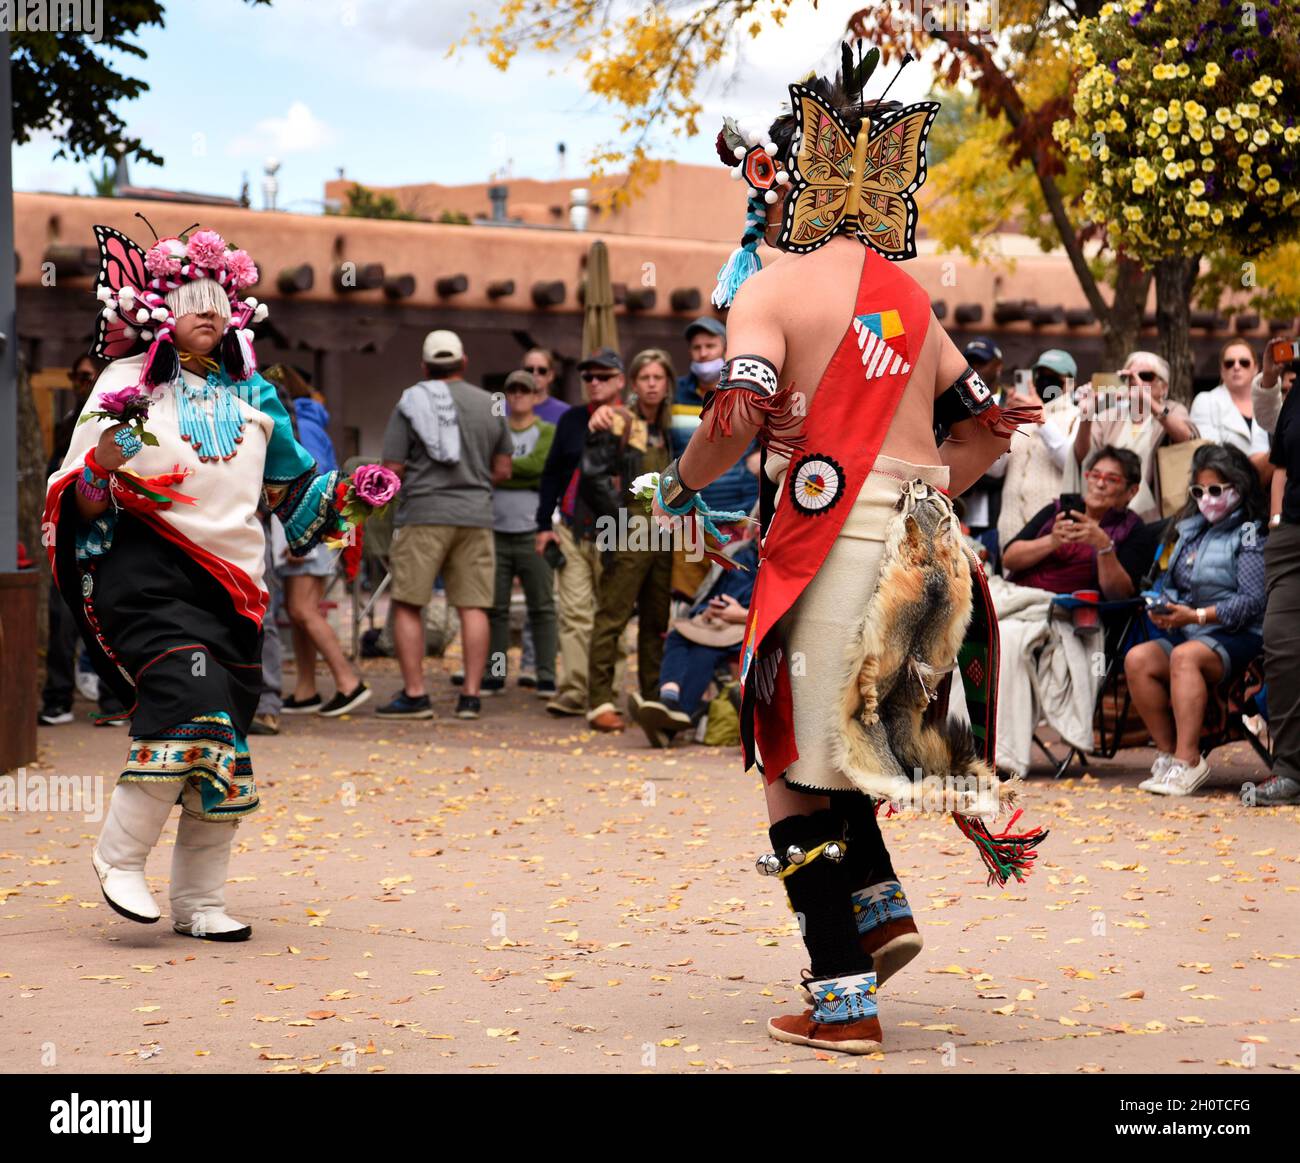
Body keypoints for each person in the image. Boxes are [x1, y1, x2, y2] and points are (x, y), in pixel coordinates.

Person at [653, 57, 1043, 1054]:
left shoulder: (770, 290)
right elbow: (987, 430)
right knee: (841, 746)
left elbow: (738, 412)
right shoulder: (910, 301)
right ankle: (876, 912)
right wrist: (920, 488)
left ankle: (841, 998)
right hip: (931, 552)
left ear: (790, 189)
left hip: (829, 544)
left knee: (789, 759)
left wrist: (683, 481)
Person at [46, 224, 379, 941]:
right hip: (147, 576)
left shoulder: (257, 394)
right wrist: (103, 462)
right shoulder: (126, 384)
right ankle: (118, 857)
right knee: (190, 702)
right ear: (160, 309)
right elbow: (83, 500)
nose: (210, 312)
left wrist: (351, 495)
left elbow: (295, 499)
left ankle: (199, 901)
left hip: (236, 591)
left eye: (221, 301)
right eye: (194, 299)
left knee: (225, 740)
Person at [378, 330, 513, 721]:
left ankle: (416, 695)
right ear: (463, 362)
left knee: (409, 603)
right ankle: (470, 696)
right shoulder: (491, 404)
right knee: (473, 605)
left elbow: (393, 468)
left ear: (424, 367)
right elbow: (504, 468)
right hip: (476, 515)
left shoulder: (410, 401)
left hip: (423, 513)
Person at [1126, 444, 1267, 797]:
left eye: (1216, 490)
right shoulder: (1189, 530)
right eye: (1199, 491)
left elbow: (1253, 601)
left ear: (1238, 486)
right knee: (1138, 659)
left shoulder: (1251, 532)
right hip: (1190, 628)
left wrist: (1198, 615)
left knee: (1184, 657)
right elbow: (1171, 582)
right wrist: (1164, 607)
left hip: (1239, 633)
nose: (1207, 499)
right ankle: (1168, 754)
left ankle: (1189, 760)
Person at [265, 364, 369, 717]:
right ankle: (306, 690)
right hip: (314, 526)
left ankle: (349, 683)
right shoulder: (312, 422)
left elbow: (309, 481)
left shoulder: (299, 426)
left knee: (302, 609)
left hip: (307, 527)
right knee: (298, 613)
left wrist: (301, 537)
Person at [583, 348, 675, 732]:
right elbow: (592, 477)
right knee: (613, 615)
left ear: (667, 383)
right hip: (629, 528)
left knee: (657, 620)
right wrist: (619, 522)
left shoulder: (671, 425)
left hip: (668, 532)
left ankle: (651, 697)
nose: (652, 384)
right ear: (634, 383)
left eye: (658, 377)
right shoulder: (617, 420)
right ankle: (599, 701)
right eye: (645, 378)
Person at [38, 353, 130, 727]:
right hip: (69, 533)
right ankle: (57, 699)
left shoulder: (123, 423)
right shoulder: (67, 425)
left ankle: (114, 699)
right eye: (76, 376)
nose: (81, 383)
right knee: (62, 620)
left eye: (88, 376)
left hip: (107, 535)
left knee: (110, 617)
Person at [534, 347, 626, 717]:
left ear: (620, 381)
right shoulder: (571, 419)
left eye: (603, 376)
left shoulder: (630, 421)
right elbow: (552, 473)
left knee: (611, 613)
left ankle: (607, 691)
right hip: (571, 526)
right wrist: (543, 525)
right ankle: (574, 689)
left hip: (615, 529)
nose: (594, 382)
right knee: (573, 613)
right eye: (588, 377)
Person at [633, 535, 760, 748]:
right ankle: (669, 699)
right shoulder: (738, 553)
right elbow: (709, 593)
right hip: (717, 623)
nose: (758, 531)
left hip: (748, 627)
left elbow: (784, 613)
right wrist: (707, 610)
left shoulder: (777, 563)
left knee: (704, 653)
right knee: (678, 635)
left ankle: (670, 723)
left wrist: (741, 614)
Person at [669, 317, 759, 597]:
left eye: (710, 346)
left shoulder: (744, 389)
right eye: (697, 348)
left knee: (731, 596)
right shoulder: (674, 394)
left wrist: (760, 455)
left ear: (725, 348)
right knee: (688, 599)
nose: (703, 353)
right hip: (689, 517)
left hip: (738, 515)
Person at [485, 369, 557, 696]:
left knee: (541, 607)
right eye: (512, 390)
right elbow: (486, 467)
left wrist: (502, 471)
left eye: (524, 390)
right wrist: (513, 473)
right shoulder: (495, 430)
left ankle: (545, 674)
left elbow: (540, 467)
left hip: (534, 530)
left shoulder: (547, 430)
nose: (518, 395)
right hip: (496, 529)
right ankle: (496, 673)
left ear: (535, 395)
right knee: (495, 609)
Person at [1001, 446, 1145, 598]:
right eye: (1095, 475)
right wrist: (1052, 540)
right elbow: (1008, 560)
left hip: (1068, 608)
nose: (1100, 484)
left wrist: (1104, 546)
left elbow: (1121, 595)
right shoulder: (1058, 510)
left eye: (1111, 479)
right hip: (1017, 595)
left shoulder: (1132, 527)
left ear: (1132, 491)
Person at [1073, 351, 1198, 522]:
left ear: (1164, 387)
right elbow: (1083, 457)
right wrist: (1086, 415)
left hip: (1154, 516)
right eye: (1129, 377)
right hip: (1110, 511)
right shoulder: (1109, 416)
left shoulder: (1172, 410)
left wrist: (1148, 400)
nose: (1136, 381)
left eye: (1146, 376)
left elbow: (1187, 438)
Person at [1256, 359, 1300, 805]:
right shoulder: (1297, 389)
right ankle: (1289, 770)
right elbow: (1282, 463)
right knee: (1282, 647)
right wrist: (1276, 521)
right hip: (1292, 537)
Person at [996, 349, 1082, 552]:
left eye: (1054, 377)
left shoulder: (1078, 417)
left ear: (1071, 383)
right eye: (1041, 376)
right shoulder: (1020, 418)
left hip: (1052, 533)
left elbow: (1070, 463)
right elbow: (995, 470)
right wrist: (1006, 425)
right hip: (1010, 531)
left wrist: (1041, 419)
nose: (1045, 381)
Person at [956, 338, 1008, 560]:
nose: (975, 369)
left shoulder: (1012, 405)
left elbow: (1005, 469)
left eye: (982, 363)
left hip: (996, 516)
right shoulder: (954, 403)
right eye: (971, 363)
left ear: (998, 366)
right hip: (957, 514)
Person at [1190, 340, 1270, 460]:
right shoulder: (1205, 401)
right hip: (1224, 471)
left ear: (1255, 368)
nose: (1236, 367)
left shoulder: (1268, 401)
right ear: (1222, 371)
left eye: (1244, 363)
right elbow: (1207, 454)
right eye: (1229, 363)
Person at [521, 346, 570, 424]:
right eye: (529, 370)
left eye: (542, 370)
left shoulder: (565, 412)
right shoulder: (504, 410)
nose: (535, 374)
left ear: (551, 375)